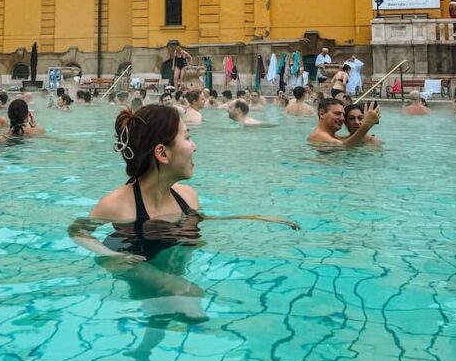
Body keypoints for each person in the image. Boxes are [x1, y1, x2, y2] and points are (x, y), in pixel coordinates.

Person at [69, 105, 299, 264]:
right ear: (162, 153)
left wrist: (255, 218)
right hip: (142, 274)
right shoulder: (117, 205)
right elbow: (78, 232)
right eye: (187, 137)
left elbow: (200, 220)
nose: (194, 146)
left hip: (175, 266)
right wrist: (112, 256)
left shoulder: (188, 197)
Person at [307, 98, 381, 149]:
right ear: (322, 114)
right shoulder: (318, 135)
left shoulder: (334, 137)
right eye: (337, 113)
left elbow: (346, 142)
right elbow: (344, 147)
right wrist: (366, 125)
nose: (342, 118)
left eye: (343, 114)